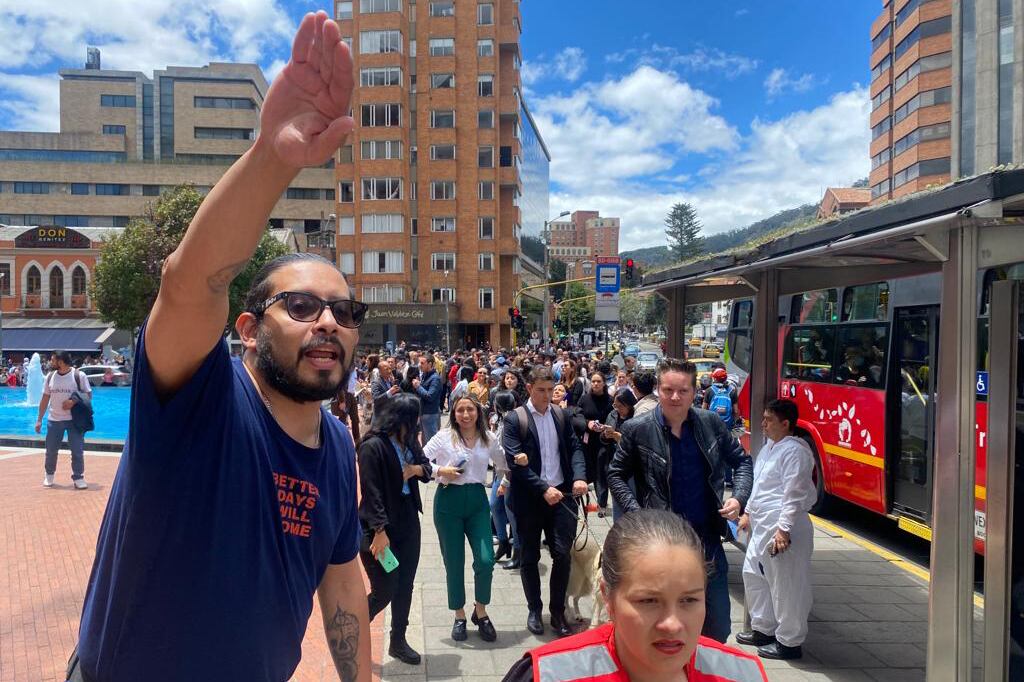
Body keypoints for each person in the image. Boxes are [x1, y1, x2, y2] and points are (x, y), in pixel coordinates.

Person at [68, 13, 372, 682]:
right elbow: (189, 282)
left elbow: (343, 579)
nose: (328, 321)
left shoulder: (339, 447)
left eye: (344, 311)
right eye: (299, 306)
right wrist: (272, 158)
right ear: (247, 327)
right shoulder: (200, 397)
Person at [501, 509, 768, 682]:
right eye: (649, 601)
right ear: (608, 596)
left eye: (689, 600)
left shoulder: (743, 674)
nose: (673, 624)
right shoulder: (547, 674)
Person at [607, 358, 753, 644]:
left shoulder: (710, 423)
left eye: (683, 391)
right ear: (658, 390)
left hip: (706, 541)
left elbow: (742, 462)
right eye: (668, 390)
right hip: (661, 543)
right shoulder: (638, 429)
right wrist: (638, 513)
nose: (675, 397)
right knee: (663, 627)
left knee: (717, 626)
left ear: (694, 391)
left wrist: (738, 498)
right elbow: (616, 474)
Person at [501, 366, 588, 638]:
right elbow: (515, 463)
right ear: (529, 389)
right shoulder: (515, 419)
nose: (547, 396)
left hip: (561, 497)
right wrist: (542, 488)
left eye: (551, 390)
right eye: (541, 390)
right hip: (529, 499)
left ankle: (558, 611)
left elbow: (574, 448)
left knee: (562, 555)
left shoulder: (561, 415)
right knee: (530, 556)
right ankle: (534, 609)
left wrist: (579, 477)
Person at [737, 399, 816, 660]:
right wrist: (747, 512)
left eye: (769, 420)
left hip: (782, 526)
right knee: (754, 575)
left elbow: (794, 492)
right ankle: (764, 628)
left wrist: (784, 529)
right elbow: (760, 484)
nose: (763, 424)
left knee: (787, 584)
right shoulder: (771, 447)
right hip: (762, 524)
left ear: (786, 424)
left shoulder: (796, 451)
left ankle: (789, 642)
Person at [424, 395, 508, 642]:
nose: (465, 414)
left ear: (478, 412)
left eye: (470, 409)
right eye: (460, 410)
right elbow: (419, 459)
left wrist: (505, 482)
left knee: (485, 559)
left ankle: (480, 611)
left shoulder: (488, 438)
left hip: (477, 502)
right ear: (453, 413)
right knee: (453, 561)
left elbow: (504, 462)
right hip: (448, 501)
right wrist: (441, 470)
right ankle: (459, 614)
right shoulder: (443, 437)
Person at [357, 394, 432, 665]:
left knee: (405, 585)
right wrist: (379, 530)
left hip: (408, 521)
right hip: (378, 529)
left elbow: (427, 468)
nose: (418, 423)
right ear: (402, 419)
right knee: (385, 588)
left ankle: (398, 641)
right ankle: (351, 631)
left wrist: (414, 469)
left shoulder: (409, 441)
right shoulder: (372, 447)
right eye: (415, 418)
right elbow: (371, 490)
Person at [36, 350, 92, 489]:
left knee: (77, 451)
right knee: (51, 450)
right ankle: (49, 475)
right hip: (54, 420)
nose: (50, 362)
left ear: (60, 361)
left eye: (53, 360)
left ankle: (78, 477)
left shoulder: (78, 375)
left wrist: (72, 402)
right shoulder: (50, 377)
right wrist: (39, 419)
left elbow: (88, 395)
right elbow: (44, 399)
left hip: (75, 420)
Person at [489, 390, 520, 567]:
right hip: (499, 471)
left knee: (511, 512)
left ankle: (518, 550)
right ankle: (503, 542)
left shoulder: (511, 422)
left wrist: (505, 481)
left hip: (510, 474)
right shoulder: (499, 420)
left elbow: (509, 452)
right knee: (494, 505)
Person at [578, 371, 614, 511]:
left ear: (604, 383)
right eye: (593, 381)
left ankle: (602, 504)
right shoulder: (585, 399)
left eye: (599, 381)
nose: (596, 384)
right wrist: (588, 423)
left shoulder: (610, 401)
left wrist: (606, 427)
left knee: (601, 471)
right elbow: (578, 417)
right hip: (587, 440)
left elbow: (614, 418)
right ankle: (586, 503)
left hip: (603, 441)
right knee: (588, 469)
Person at [600, 389, 636, 520]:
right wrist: (605, 434)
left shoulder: (636, 417)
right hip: (613, 462)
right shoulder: (613, 415)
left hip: (631, 467)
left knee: (631, 501)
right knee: (617, 502)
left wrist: (618, 436)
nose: (618, 409)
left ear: (629, 405)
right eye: (615, 405)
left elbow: (636, 444)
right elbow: (602, 439)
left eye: (621, 406)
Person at [412, 352, 443, 443]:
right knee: (425, 442)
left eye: (422, 363)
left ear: (430, 364)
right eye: (419, 363)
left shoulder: (435, 378)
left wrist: (418, 386)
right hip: (424, 413)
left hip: (431, 414)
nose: (419, 365)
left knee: (431, 444)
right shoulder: (425, 375)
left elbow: (430, 396)